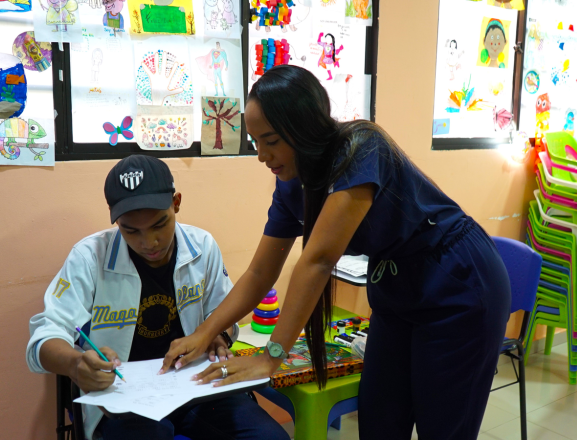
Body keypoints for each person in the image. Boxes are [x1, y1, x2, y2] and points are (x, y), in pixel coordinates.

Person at [160, 65, 511, 440]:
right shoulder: (291, 186)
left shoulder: (360, 148)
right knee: (379, 422)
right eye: (255, 141)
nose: (262, 155)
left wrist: (271, 356)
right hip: (397, 290)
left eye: (272, 140)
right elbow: (260, 274)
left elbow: (319, 260)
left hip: (457, 281)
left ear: (304, 127)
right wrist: (204, 331)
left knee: (442, 427)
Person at [26, 155, 290, 440]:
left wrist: (219, 335)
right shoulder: (89, 258)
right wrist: (74, 363)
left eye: (159, 224)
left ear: (176, 203)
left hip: (197, 385)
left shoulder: (202, 247)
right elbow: (45, 335)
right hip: (124, 397)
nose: (149, 242)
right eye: (131, 230)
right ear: (114, 218)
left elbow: (224, 312)